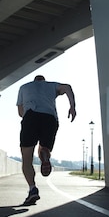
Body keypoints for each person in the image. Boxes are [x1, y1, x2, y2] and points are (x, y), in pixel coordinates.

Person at [17, 75, 76, 205]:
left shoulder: (24, 87)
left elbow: (21, 112)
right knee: (44, 148)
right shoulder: (51, 85)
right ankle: (44, 154)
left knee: (27, 159)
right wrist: (72, 106)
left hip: (31, 116)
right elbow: (67, 87)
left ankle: (32, 189)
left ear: (34, 81)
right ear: (43, 80)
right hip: (49, 118)